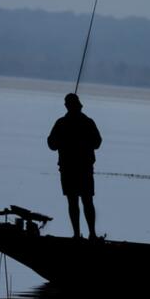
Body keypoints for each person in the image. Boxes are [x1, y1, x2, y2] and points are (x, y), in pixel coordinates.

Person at [47, 93, 102, 239]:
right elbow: (97, 143)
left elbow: (51, 144)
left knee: (74, 202)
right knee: (86, 201)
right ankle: (91, 234)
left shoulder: (62, 123)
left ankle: (78, 235)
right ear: (78, 106)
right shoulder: (87, 122)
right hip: (82, 169)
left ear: (67, 106)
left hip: (70, 170)